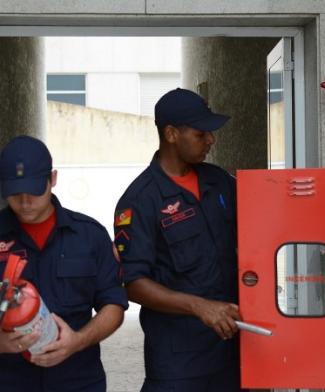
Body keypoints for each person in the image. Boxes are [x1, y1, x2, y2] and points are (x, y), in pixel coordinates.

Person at [114, 88, 243, 392]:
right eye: (201, 133)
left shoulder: (218, 181)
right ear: (171, 133)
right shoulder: (140, 201)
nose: (210, 140)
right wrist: (201, 307)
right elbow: (133, 284)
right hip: (179, 362)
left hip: (232, 348)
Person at [0, 135, 128, 391]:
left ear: (53, 179)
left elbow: (113, 305)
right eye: (15, 193)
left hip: (78, 380)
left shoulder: (89, 236)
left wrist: (77, 341)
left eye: (34, 190)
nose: (24, 202)